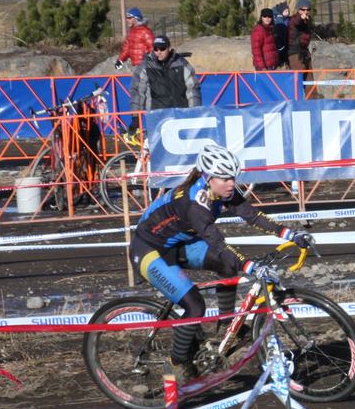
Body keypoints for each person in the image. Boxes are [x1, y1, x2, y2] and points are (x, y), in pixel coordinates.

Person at [130, 143, 313, 386]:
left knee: (226, 267)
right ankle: (176, 364)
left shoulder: (223, 191)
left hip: (178, 243)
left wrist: (291, 234)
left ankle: (227, 327)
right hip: (149, 250)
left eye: (233, 177)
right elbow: (219, 244)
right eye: (225, 178)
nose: (231, 183)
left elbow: (253, 216)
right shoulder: (196, 205)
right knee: (195, 306)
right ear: (208, 178)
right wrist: (248, 266)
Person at [129, 34, 201, 135]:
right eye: (156, 49)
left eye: (162, 49)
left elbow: (193, 89)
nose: (159, 52)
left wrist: (195, 112)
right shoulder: (145, 66)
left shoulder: (181, 64)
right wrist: (135, 117)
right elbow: (137, 92)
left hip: (180, 115)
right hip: (157, 116)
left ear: (169, 48)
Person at [287, 0, 313, 71]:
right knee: (298, 78)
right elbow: (296, 22)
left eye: (308, 10)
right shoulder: (294, 19)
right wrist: (301, 18)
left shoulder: (307, 20)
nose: (305, 12)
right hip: (295, 53)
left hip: (304, 52)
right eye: (303, 9)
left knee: (309, 80)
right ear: (298, 10)